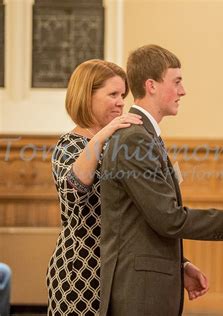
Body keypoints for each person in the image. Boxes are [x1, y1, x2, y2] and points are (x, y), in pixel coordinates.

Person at [99, 44, 223, 316]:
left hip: (146, 283)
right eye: (177, 82)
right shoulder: (135, 138)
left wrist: (179, 265)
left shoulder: (144, 135)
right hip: (138, 291)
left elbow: (140, 221)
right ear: (151, 85)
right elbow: (168, 218)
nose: (183, 91)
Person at [46, 59, 143, 316]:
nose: (121, 102)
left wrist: (182, 263)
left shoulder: (121, 147)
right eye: (112, 94)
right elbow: (73, 190)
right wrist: (101, 135)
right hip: (80, 273)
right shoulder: (68, 146)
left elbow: (142, 212)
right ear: (86, 96)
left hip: (121, 273)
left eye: (122, 94)